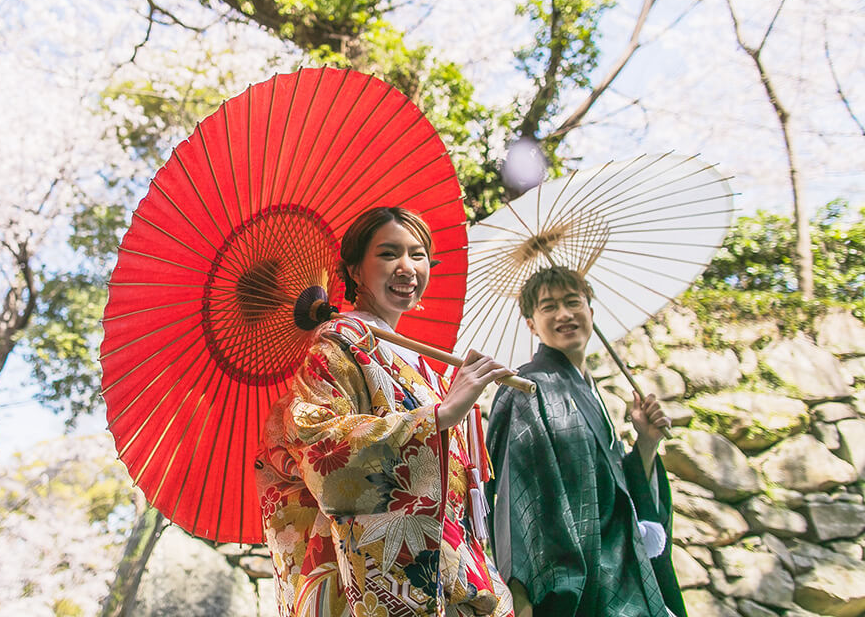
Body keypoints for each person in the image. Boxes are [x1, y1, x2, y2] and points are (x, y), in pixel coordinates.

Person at [256, 206, 516, 617]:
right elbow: (323, 451)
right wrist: (438, 416)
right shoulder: (339, 345)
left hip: (455, 571)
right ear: (355, 270)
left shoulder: (421, 364)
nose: (407, 268)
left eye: (418, 255)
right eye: (388, 254)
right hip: (386, 582)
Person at [484, 265, 686, 617]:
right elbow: (518, 504)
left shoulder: (590, 393)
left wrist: (646, 445)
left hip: (622, 576)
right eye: (548, 307)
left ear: (591, 311)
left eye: (572, 301)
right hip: (573, 587)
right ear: (532, 324)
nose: (564, 314)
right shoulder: (526, 389)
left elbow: (619, 495)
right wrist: (522, 591)